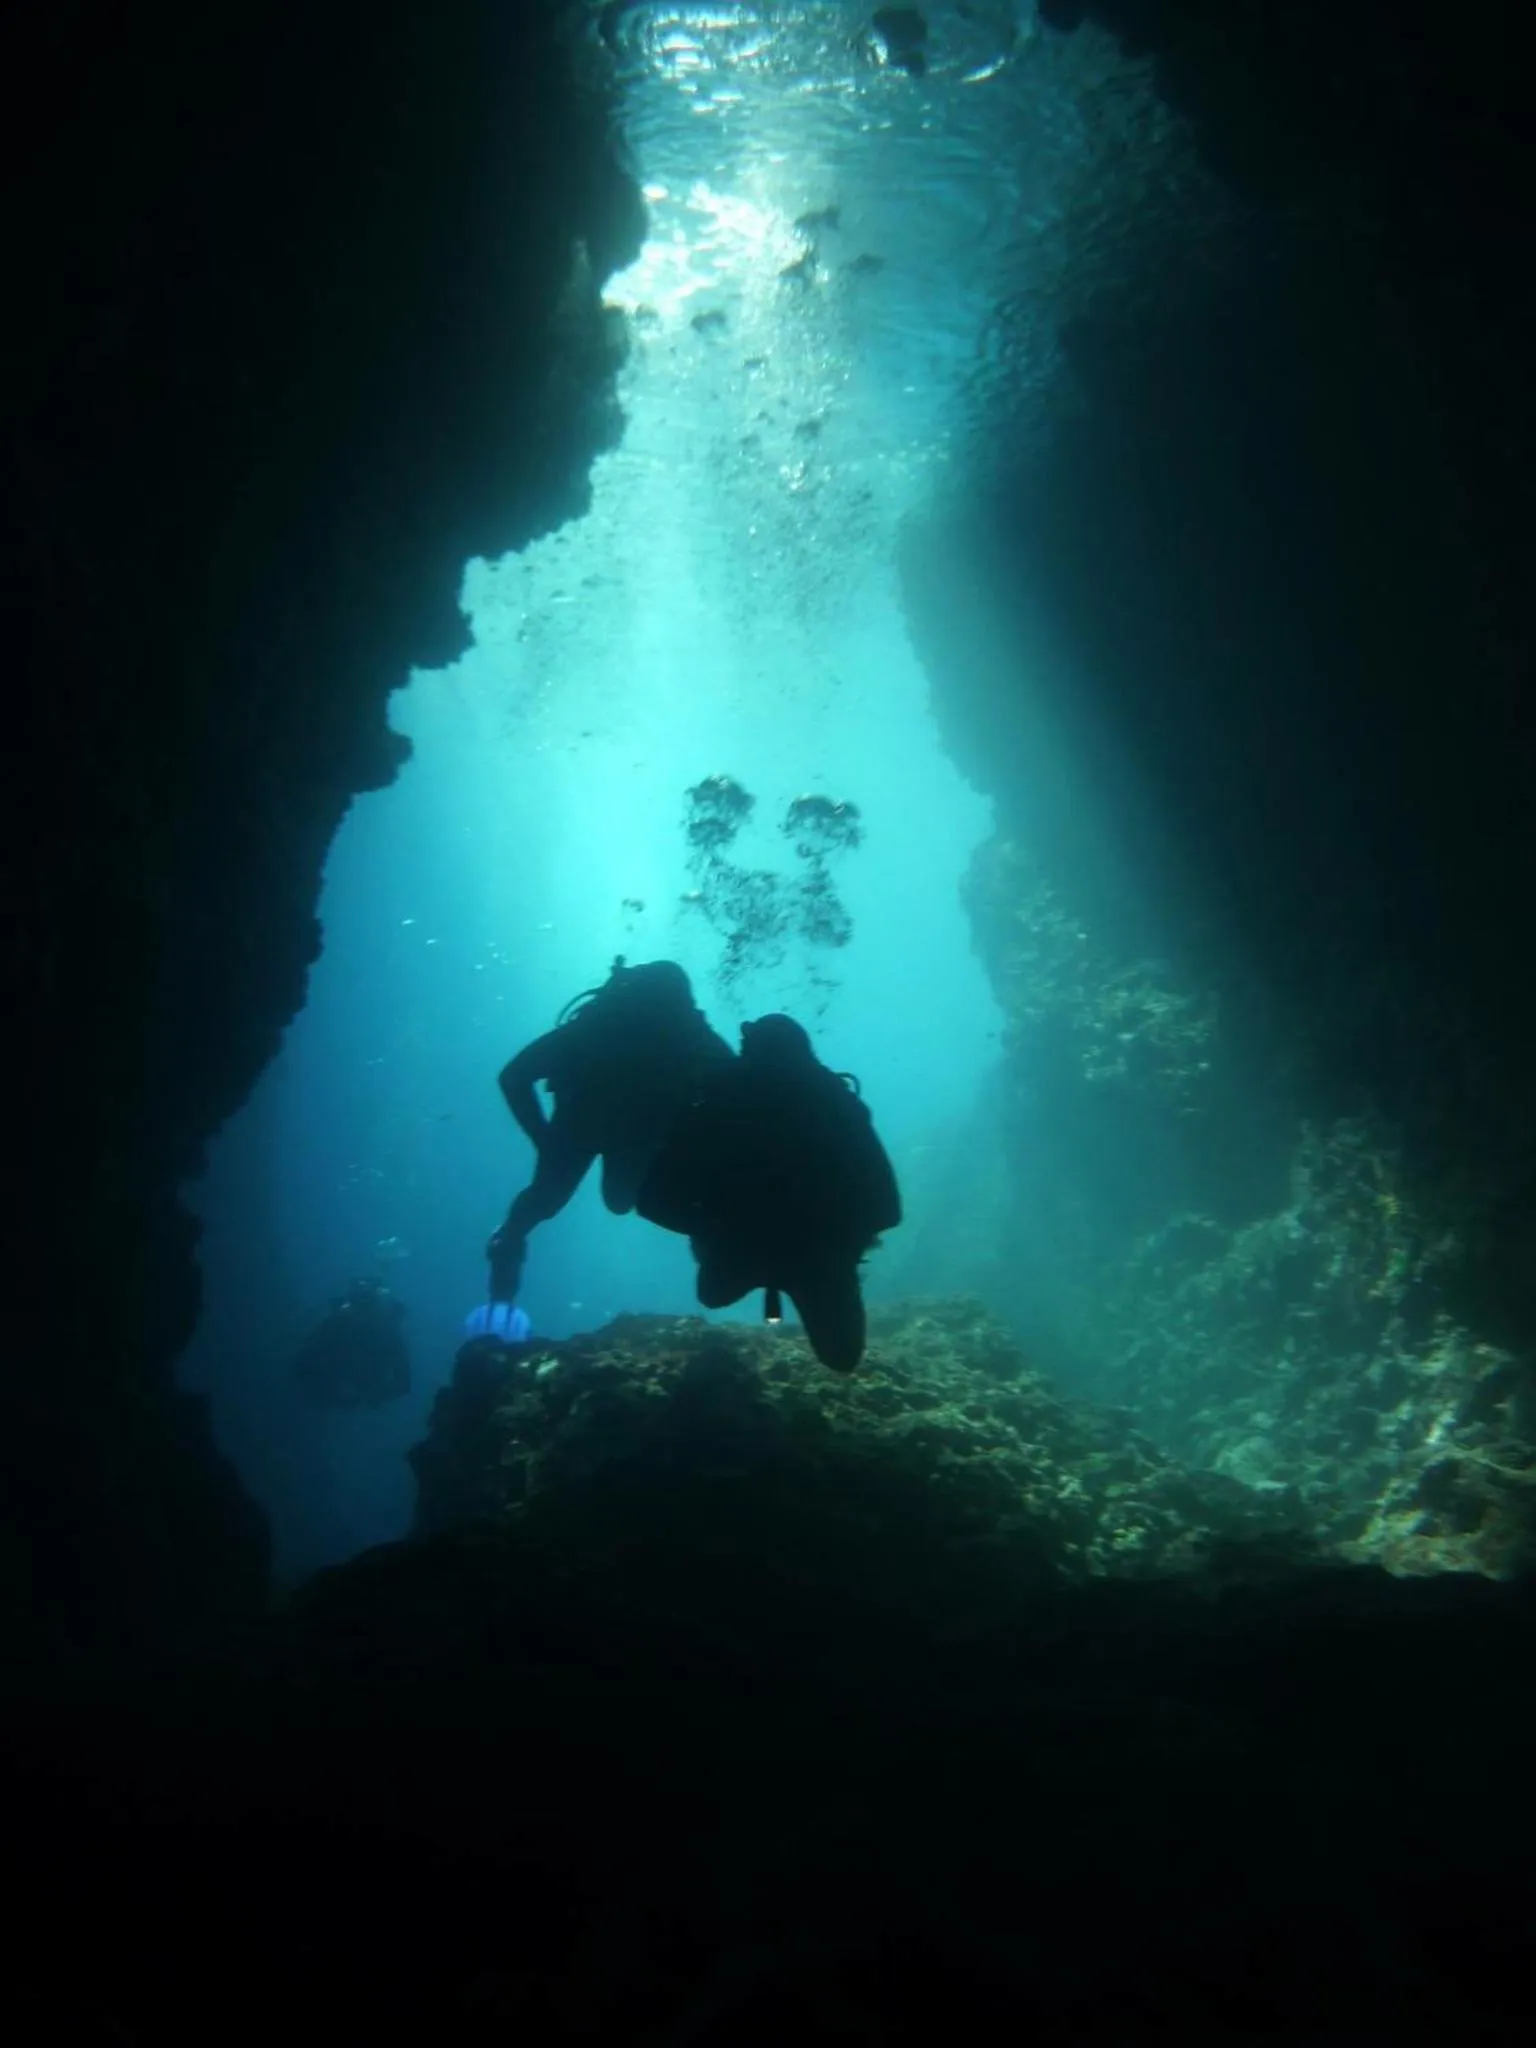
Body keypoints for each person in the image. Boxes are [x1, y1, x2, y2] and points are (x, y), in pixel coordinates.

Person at [636, 1013, 902, 1372]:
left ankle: (742, 1263)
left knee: (713, 1294)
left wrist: (711, 1228)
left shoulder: (716, 1098)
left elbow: (652, 1200)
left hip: (742, 1247)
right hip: (819, 1255)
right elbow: (887, 1206)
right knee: (842, 1358)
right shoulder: (836, 1103)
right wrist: (847, 1242)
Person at [486, 958, 734, 1302]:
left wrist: (543, 1139)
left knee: (604, 1200)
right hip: (587, 1124)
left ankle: (510, 1238)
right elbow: (513, 1077)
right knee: (555, 1199)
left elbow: (514, 1076)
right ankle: (509, 1240)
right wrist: (543, 1141)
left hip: (608, 1129)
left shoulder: (680, 1037)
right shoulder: (615, 1032)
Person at [293, 1277, 411, 1408]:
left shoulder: (388, 1332)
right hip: (332, 1390)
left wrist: (372, 1395)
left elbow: (403, 1382)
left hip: (357, 1391)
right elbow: (301, 1364)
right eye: (361, 1305)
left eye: (368, 1304)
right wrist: (332, 1391)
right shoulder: (335, 1325)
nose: (365, 1312)